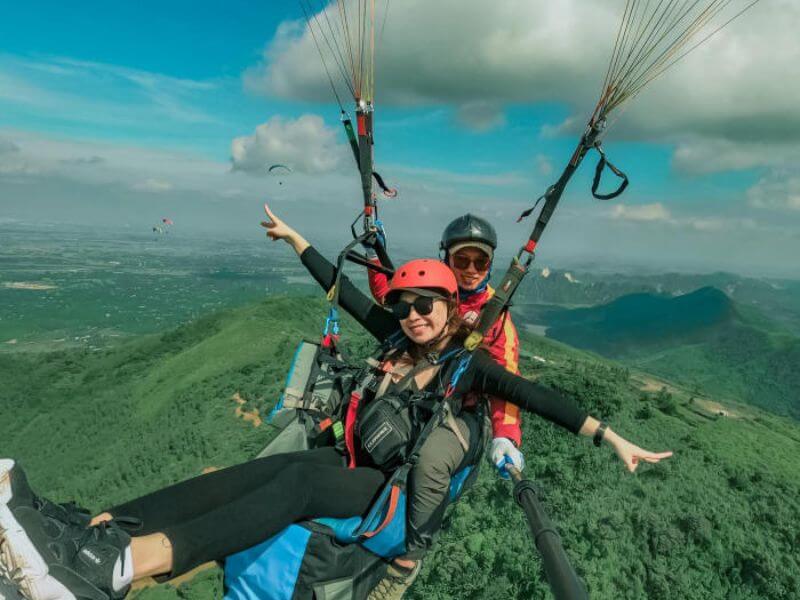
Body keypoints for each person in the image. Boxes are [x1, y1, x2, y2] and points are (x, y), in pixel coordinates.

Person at [0, 206, 672, 600]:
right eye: (404, 305)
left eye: (426, 305)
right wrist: (298, 243)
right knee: (252, 472)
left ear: (450, 310)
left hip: (387, 499)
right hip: (351, 471)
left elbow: (536, 396)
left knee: (293, 478)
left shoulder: (469, 367)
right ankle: (92, 533)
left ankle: (123, 567)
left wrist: (610, 437)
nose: (411, 316)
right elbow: (346, 293)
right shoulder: (395, 339)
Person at [363, 214, 526, 586]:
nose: (470, 270)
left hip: (462, 409)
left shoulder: (494, 318)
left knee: (430, 462)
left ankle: (409, 560)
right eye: (461, 260)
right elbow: (388, 293)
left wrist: (507, 435)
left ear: (490, 264)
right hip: (423, 393)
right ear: (446, 260)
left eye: (480, 262)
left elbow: (507, 379)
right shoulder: (434, 290)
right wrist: (376, 251)